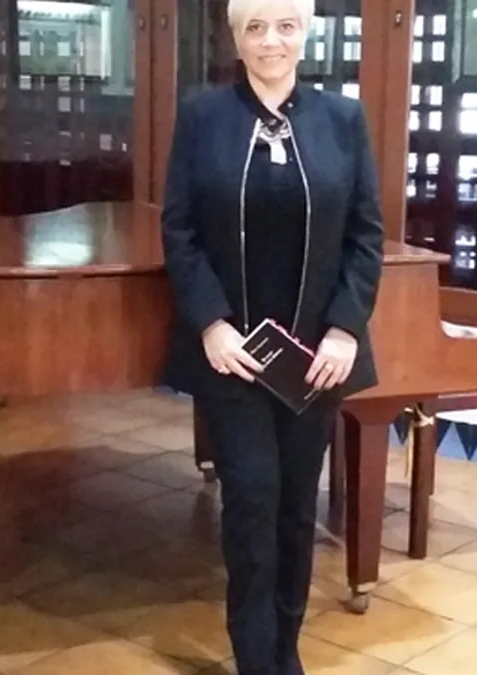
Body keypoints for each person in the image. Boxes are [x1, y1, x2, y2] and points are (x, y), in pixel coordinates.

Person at [158, 0, 384, 671]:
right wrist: (211, 322)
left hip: (314, 359)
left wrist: (345, 328)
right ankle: (257, 659)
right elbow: (179, 229)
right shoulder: (203, 116)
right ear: (237, 38)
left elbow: (366, 235)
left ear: (304, 33)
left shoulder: (343, 119)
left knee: (295, 509)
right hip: (233, 356)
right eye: (255, 27)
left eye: (285, 26)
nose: (270, 41)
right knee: (253, 501)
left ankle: (287, 652)